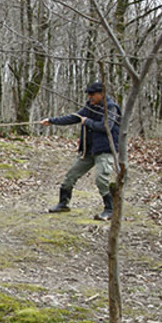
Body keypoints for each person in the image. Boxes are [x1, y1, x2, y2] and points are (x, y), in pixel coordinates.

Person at [41, 81, 121, 221]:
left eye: (92, 94)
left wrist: (87, 122)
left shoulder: (111, 107)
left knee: (101, 180)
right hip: (88, 150)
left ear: (101, 93)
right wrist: (52, 121)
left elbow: (105, 126)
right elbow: (74, 118)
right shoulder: (90, 107)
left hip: (105, 150)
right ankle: (63, 204)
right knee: (70, 176)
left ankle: (110, 210)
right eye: (88, 94)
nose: (89, 97)